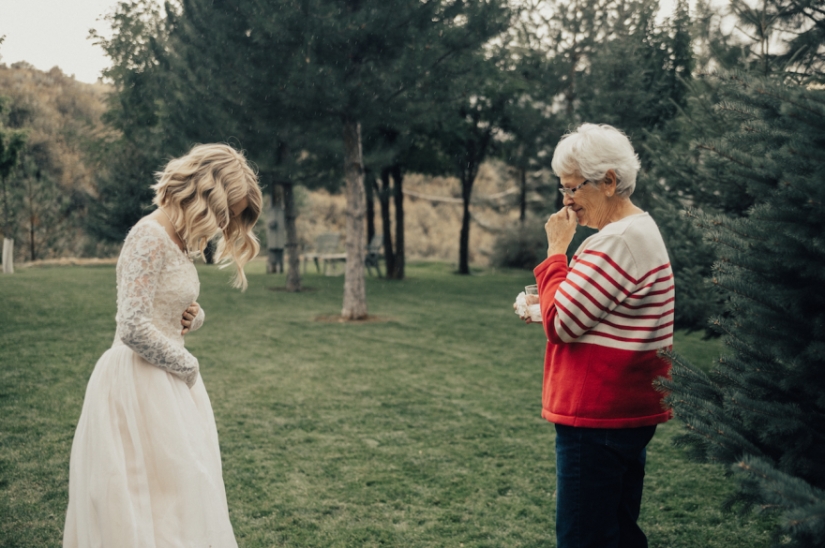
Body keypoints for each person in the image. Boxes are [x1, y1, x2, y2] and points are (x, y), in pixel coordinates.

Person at [63, 143, 263, 548]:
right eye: (226, 211)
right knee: (141, 499)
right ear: (205, 194)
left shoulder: (182, 239)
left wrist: (193, 316)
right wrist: (187, 366)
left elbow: (167, 304)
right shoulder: (149, 236)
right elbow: (133, 326)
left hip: (168, 381)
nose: (225, 225)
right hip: (137, 384)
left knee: (182, 495)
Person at [522, 124, 674, 548]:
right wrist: (550, 303)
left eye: (573, 188)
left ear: (608, 181)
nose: (566, 200)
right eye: (561, 189)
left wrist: (557, 251)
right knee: (619, 533)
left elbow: (561, 324)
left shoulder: (614, 242)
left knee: (583, 537)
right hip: (623, 413)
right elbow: (594, 312)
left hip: (598, 417)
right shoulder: (641, 230)